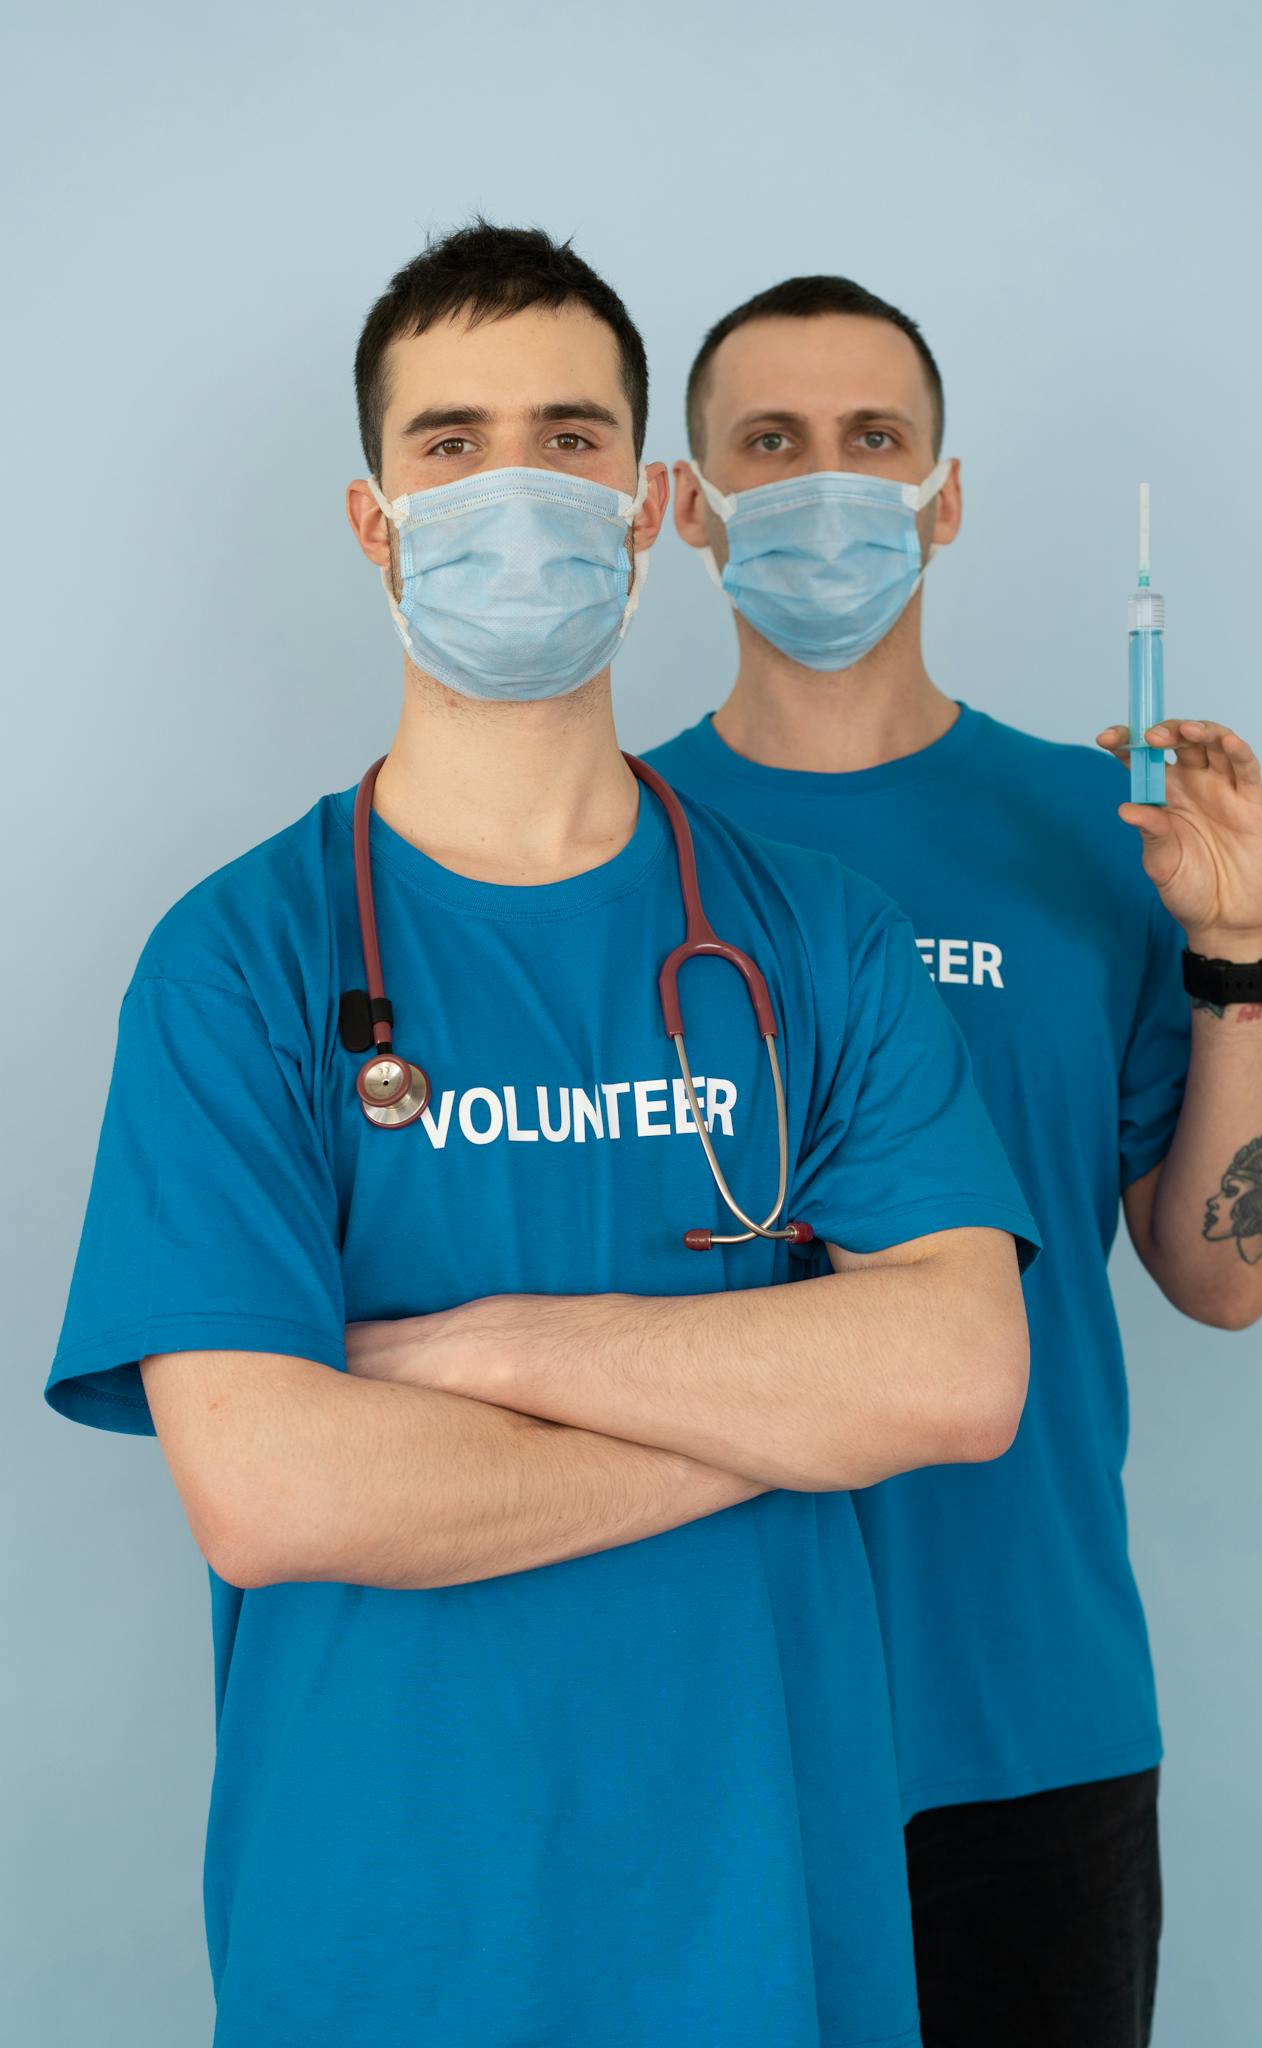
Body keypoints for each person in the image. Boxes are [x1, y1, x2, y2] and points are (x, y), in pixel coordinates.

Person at [46, 228, 1042, 2048]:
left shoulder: (810, 936)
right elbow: (276, 1492)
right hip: (383, 1933)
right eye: (452, 444)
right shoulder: (241, 961)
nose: (517, 488)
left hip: (766, 1913)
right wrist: (782, 1426)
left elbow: (962, 1375)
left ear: (654, 502)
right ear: (374, 519)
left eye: (571, 439)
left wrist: (489, 1352)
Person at [645, 273, 1262, 2048]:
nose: (824, 487)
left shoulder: (1096, 839)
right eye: (767, 447)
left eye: (872, 442)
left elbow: (1224, 1276)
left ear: (944, 497)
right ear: (686, 504)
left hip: (1028, 1710)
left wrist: (1235, 955)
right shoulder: (606, 849)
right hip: (694, 1702)